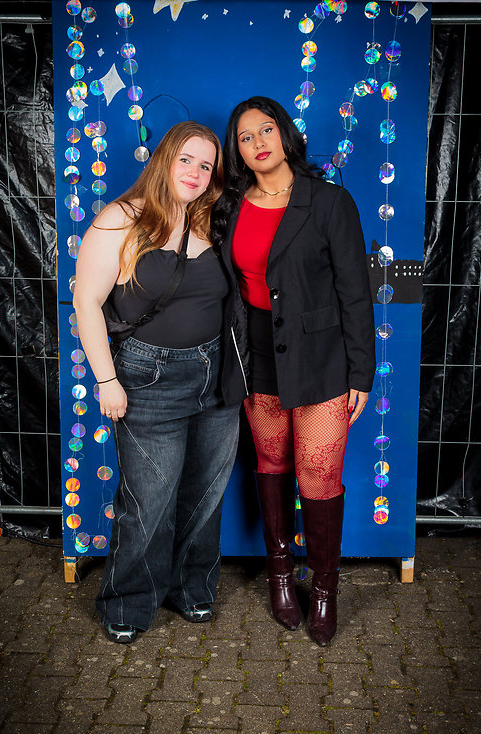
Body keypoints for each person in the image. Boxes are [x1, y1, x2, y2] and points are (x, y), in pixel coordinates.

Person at [73, 121, 248, 644]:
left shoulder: (210, 219)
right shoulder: (120, 219)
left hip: (215, 373)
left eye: (206, 165)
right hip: (148, 377)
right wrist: (106, 379)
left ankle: (191, 588)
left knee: (205, 493)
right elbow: (86, 302)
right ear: (164, 159)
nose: (195, 172)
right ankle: (127, 601)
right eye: (186, 159)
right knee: (148, 499)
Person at [213, 97, 375, 646]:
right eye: (245, 137)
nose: (257, 143)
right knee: (273, 462)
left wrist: (361, 373)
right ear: (236, 151)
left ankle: (324, 588)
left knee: (319, 474)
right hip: (256, 355)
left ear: (285, 134)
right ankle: (280, 575)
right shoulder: (229, 206)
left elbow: (355, 294)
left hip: (321, 358)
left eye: (266, 130)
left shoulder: (329, 201)